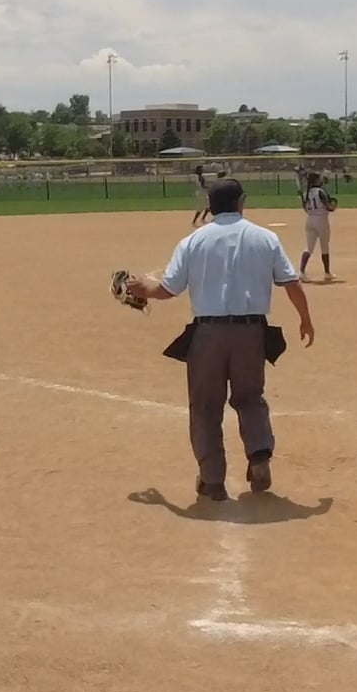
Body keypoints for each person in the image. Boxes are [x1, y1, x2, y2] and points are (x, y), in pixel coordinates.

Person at [124, 178, 315, 502]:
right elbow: (290, 282)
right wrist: (305, 319)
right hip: (251, 332)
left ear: (210, 207)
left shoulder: (193, 241)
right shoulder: (265, 237)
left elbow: (168, 289)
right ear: (241, 201)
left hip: (208, 333)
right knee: (250, 398)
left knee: (205, 407)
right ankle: (259, 456)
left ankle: (212, 480)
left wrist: (142, 289)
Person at [298, 171, 336, 282]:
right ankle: (327, 273)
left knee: (309, 247)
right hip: (321, 220)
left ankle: (301, 272)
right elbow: (329, 207)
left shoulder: (306, 193)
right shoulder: (321, 192)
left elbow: (305, 209)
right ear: (316, 181)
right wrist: (334, 205)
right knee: (324, 246)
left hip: (310, 220)